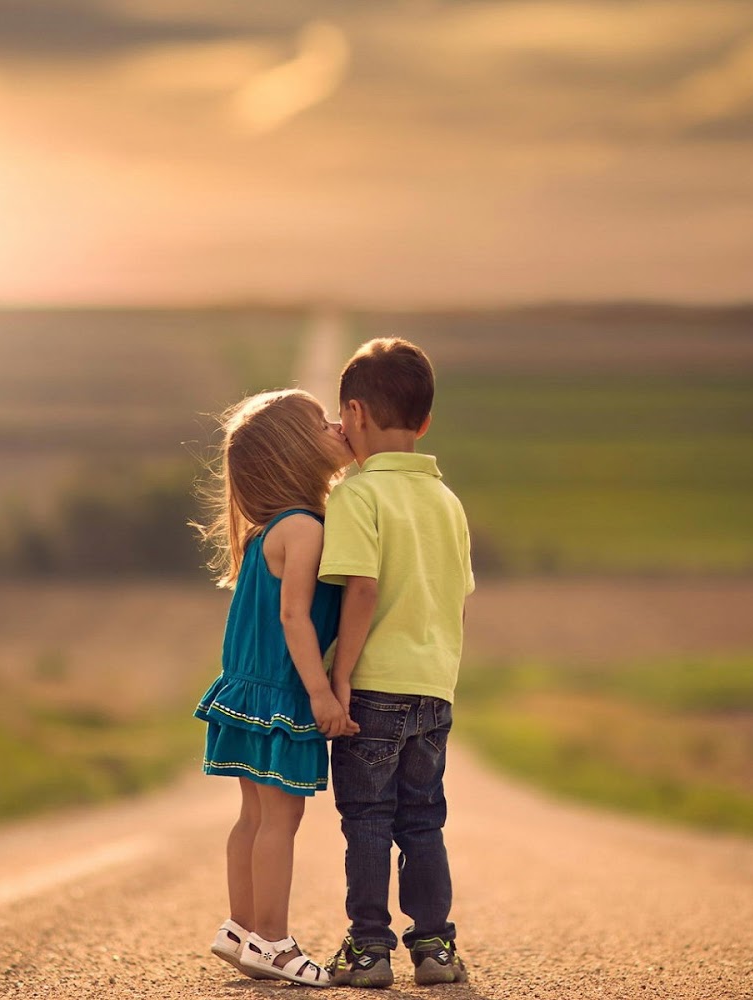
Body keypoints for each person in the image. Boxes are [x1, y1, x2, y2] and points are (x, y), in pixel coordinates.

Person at [318, 338, 474, 988]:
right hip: (435, 688)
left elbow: (362, 588)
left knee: (369, 820)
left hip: (375, 686)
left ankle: (369, 949)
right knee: (423, 818)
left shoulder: (358, 497)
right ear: (425, 422)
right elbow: (454, 595)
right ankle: (435, 949)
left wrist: (341, 675)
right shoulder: (448, 502)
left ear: (353, 413)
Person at [193, 388, 360, 988]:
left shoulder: (269, 530)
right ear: (294, 453)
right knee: (279, 819)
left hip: (246, 689)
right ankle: (272, 938)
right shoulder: (307, 529)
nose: (339, 425)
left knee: (253, 815)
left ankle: (239, 929)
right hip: (284, 692)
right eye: (322, 423)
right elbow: (295, 618)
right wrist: (319, 693)